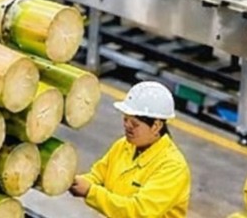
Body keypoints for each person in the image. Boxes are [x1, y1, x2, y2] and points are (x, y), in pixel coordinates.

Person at [69, 81, 190, 218]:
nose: (127, 127)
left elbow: (139, 211)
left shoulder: (173, 167)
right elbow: (98, 175)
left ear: (156, 126)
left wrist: (90, 192)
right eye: (125, 120)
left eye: (134, 124)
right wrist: (72, 181)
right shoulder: (124, 145)